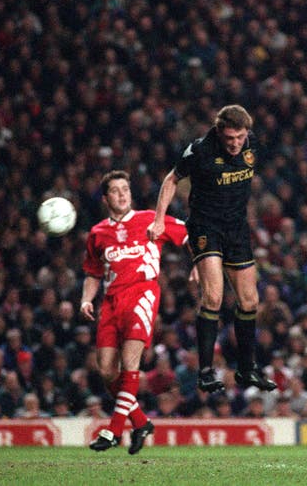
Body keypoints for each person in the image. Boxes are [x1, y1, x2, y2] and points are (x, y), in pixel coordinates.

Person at [147, 105, 276, 393]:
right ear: (219, 132)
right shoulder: (200, 150)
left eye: (240, 137)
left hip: (237, 229)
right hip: (206, 227)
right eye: (230, 137)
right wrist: (158, 219)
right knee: (214, 296)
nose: (235, 143)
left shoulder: (252, 144)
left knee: (250, 301)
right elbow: (171, 179)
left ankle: (246, 369)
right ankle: (205, 371)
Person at [81, 170, 188, 454]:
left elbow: (191, 235)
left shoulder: (151, 220)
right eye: (115, 191)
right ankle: (140, 422)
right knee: (106, 370)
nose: (122, 194)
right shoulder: (97, 233)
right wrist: (85, 300)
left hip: (142, 293)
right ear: (106, 199)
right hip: (110, 302)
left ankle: (113, 430)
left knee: (131, 365)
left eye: (125, 189)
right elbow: (92, 272)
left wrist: (202, 269)